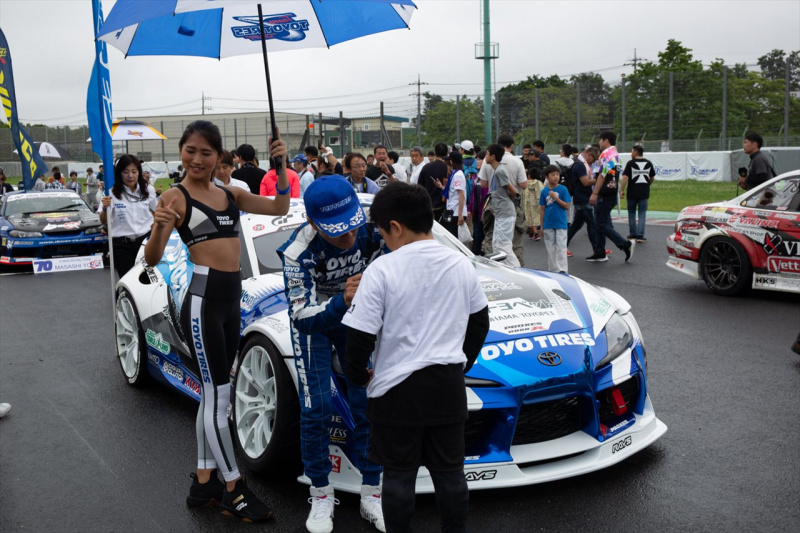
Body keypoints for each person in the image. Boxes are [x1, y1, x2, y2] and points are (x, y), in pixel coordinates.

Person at [144, 120, 290, 523]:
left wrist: (279, 167)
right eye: (190, 150)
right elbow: (154, 258)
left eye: (206, 152)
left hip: (230, 300)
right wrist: (159, 227)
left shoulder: (231, 194)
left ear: (219, 157)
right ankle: (233, 488)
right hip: (204, 301)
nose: (197, 159)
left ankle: (204, 479)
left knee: (213, 395)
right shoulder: (174, 198)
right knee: (218, 397)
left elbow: (279, 207)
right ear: (181, 151)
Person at [343, 182, 490, 533]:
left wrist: (358, 374)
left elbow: (359, 335)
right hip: (447, 385)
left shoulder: (382, 269)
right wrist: (462, 362)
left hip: (396, 389)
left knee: (398, 475)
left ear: (395, 226)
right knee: (450, 474)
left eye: (381, 231)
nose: (383, 239)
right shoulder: (460, 263)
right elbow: (480, 321)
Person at [276, 176, 385, 533]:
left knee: (368, 401)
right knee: (317, 406)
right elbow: (301, 317)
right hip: (317, 322)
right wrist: (342, 300)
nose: (350, 238)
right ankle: (321, 493)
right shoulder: (296, 252)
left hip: (358, 317)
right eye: (338, 233)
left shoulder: (372, 226)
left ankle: (373, 490)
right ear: (311, 223)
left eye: (353, 227)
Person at [99, 155, 158, 278]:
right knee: (128, 280)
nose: (130, 176)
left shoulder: (148, 190)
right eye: (125, 172)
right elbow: (103, 220)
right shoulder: (110, 193)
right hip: (121, 246)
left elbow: (157, 212)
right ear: (119, 173)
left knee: (147, 280)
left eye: (134, 171)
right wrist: (105, 207)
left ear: (139, 172)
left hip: (145, 244)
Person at [589, 131, 634, 262]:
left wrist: (595, 193)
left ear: (606, 141)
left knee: (600, 224)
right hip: (610, 192)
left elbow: (602, 175)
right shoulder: (615, 154)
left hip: (604, 194)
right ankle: (599, 251)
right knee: (601, 222)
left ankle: (624, 244)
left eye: (600, 140)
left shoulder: (606, 154)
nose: (599, 143)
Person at [481, 143, 520, 267]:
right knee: (497, 245)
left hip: (505, 213)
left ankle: (518, 270)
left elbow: (513, 191)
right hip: (500, 213)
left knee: (503, 246)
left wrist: (506, 201)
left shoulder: (499, 171)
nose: (485, 157)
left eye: (487, 154)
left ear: (492, 156)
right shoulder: (497, 170)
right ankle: (507, 269)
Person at [567, 146, 606, 261]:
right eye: (593, 159)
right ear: (588, 155)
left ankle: (561, 245)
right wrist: (599, 180)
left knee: (576, 225)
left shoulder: (582, 164)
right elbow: (585, 182)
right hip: (582, 199)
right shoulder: (580, 165)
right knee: (592, 224)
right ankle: (597, 250)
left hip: (581, 198)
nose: (593, 162)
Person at [620, 144, 655, 243]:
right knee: (642, 213)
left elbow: (625, 177)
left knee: (631, 213)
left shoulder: (630, 163)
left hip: (632, 191)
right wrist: (647, 184)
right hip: (644, 192)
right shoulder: (648, 163)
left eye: (632, 151)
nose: (631, 153)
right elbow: (652, 178)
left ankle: (633, 234)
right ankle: (640, 235)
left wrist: (622, 190)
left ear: (635, 152)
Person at [539, 165, 571, 274]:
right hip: (548, 223)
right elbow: (542, 209)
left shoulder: (563, 189)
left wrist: (555, 198)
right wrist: (541, 226)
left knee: (561, 247)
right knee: (550, 248)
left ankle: (562, 270)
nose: (556, 177)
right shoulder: (544, 191)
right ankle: (552, 270)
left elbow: (567, 206)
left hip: (561, 223)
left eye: (557, 174)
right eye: (552, 175)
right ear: (547, 177)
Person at [438, 151, 467, 238]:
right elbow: (452, 192)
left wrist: (460, 214)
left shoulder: (458, 175)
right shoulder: (454, 174)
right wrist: (441, 186)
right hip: (451, 210)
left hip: (456, 213)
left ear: (451, 161)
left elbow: (461, 195)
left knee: (455, 238)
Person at [417, 143, 448, 221]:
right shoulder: (448, 169)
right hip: (444, 207)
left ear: (434, 153)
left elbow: (420, 187)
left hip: (429, 206)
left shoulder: (426, 167)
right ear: (447, 153)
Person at [522, 165, 544, 240]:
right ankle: (533, 232)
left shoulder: (525, 183)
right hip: (537, 202)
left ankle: (535, 233)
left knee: (530, 217)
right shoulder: (539, 183)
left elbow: (522, 192)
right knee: (537, 216)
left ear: (529, 175)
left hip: (528, 203)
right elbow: (542, 192)